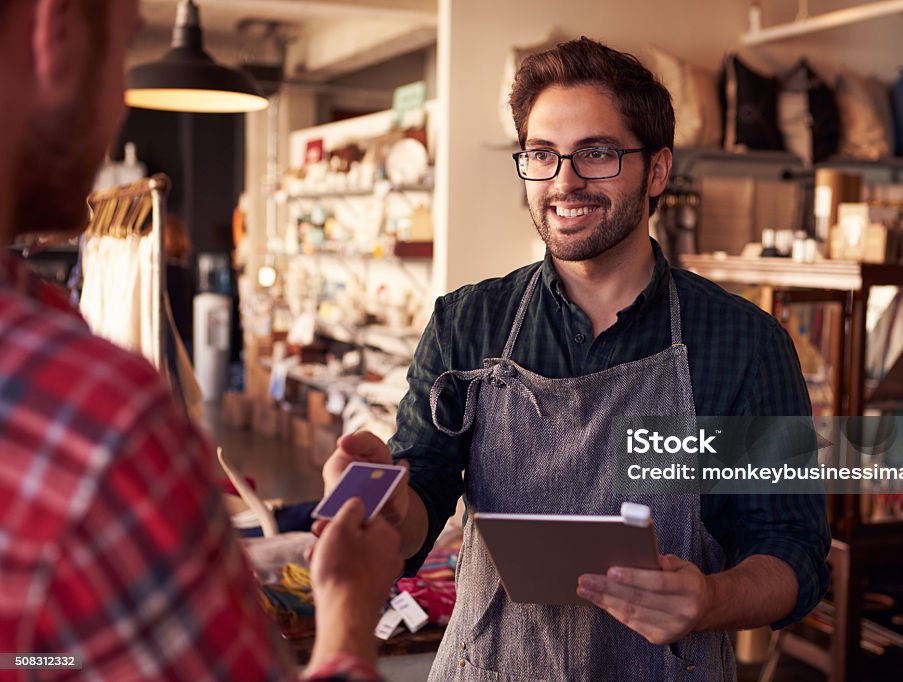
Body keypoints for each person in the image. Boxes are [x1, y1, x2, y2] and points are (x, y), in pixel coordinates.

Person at [321, 37, 830, 681]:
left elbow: (794, 550)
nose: (565, 181)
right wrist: (387, 503)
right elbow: (423, 488)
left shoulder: (744, 344)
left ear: (657, 170)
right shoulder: (467, 322)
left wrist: (710, 600)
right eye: (542, 154)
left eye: (597, 153)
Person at [0, 1, 400, 679]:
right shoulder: (92, 419)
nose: (116, 109)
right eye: (123, 52)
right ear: (54, 30)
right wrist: (347, 607)